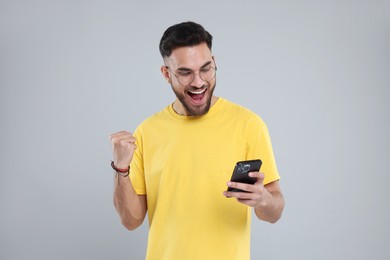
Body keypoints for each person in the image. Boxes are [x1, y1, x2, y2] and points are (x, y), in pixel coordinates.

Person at [109, 21, 285, 260]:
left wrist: (263, 199)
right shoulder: (146, 132)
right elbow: (131, 221)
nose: (199, 82)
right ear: (166, 73)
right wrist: (121, 169)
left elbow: (273, 213)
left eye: (206, 69)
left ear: (215, 63)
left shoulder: (248, 125)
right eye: (185, 73)